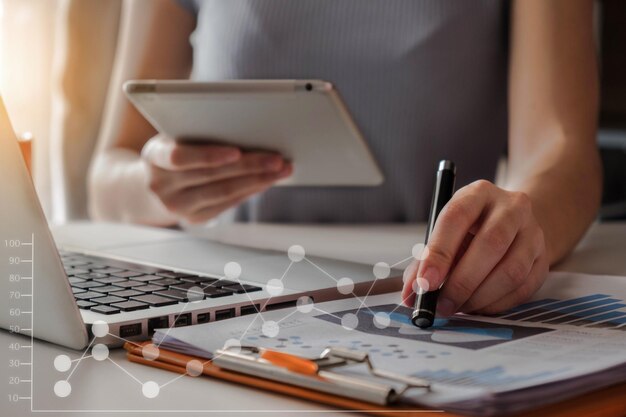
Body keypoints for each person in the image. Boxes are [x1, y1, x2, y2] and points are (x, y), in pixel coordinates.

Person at [89, 0, 601, 317]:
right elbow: (108, 174)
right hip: (226, 293)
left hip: (422, 284)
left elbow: (564, 154)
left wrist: (522, 229)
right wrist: (156, 182)